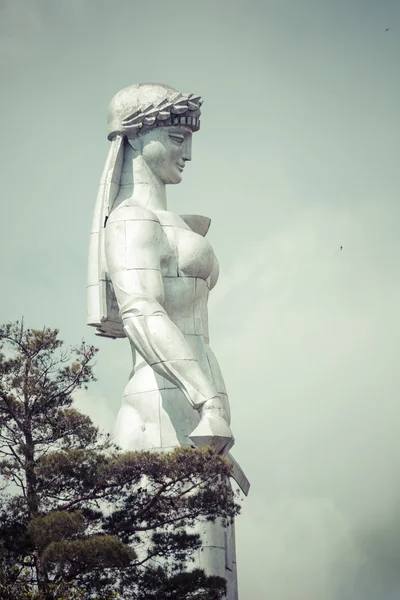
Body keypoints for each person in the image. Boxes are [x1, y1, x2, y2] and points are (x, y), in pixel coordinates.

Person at [87, 83, 233, 455]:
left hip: (203, 406)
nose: (187, 154)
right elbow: (141, 311)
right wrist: (207, 401)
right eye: (176, 138)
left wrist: (215, 402)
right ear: (136, 138)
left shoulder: (174, 223)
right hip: (160, 408)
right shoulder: (129, 221)